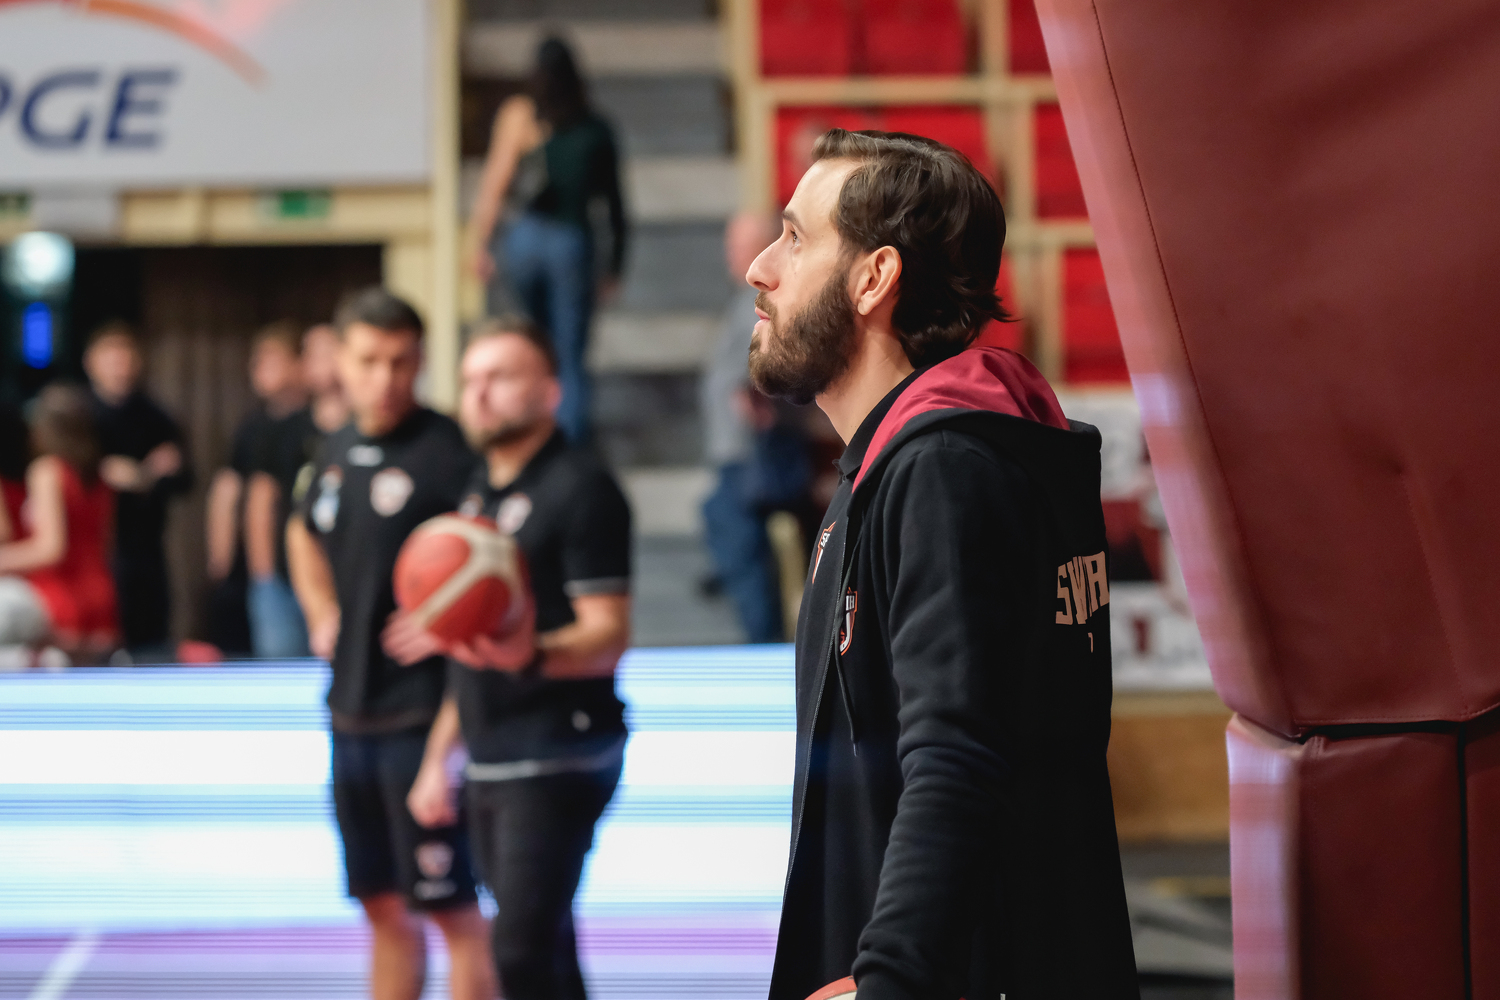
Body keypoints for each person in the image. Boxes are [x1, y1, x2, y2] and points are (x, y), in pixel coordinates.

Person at [747, 129, 1137, 999]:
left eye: (796, 238)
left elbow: (956, 758)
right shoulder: (909, 460)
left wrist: (892, 980)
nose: (759, 269)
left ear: (873, 279)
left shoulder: (943, 471)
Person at [391, 318, 631, 1000]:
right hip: (493, 752)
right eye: (470, 379)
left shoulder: (581, 486)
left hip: (561, 751)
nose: (479, 393)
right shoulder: (478, 493)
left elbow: (608, 634)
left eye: (499, 377)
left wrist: (529, 656)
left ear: (550, 391)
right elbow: (471, 656)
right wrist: (441, 755)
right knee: (545, 949)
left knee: (518, 952)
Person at [286, 289, 493, 1000]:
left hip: (424, 720)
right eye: (369, 361)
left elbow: (495, 569)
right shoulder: (334, 449)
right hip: (350, 715)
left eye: (402, 362)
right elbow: (301, 530)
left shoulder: (451, 453)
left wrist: (450, 618)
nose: (386, 378)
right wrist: (320, 608)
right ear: (339, 362)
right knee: (381, 909)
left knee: (454, 914)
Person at [466, 36, 628, 443]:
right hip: (571, 242)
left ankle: (524, 431)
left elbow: (496, 183)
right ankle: (566, 441)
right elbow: (614, 204)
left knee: (524, 343)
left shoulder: (521, 117)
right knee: (569, 354)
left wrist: (480, 243)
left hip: (524, 238)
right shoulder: (596, 130)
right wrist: (614, 264)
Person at [700, 212, 811, 642]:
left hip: (755, 455)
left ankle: (763, 649)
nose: (731, 255)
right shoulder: (743, 302)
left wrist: (759, 414)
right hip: (746, 454)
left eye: (739, 246)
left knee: (742, 547)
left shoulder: (762, 301)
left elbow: (754, 380)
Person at [85, 323, 191, 658]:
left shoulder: (155, 416)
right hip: (95, 546)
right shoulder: (80, 417)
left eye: (127, 357)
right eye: (112, 358)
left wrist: (152, 475)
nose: (121, 366)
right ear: (92, 363)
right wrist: (103, 471)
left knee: (151, 639)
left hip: (146, 544)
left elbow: (185, 477)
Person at [244, 322, 348, 660]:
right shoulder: (285, 430)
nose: (323, 362)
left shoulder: (366, 429)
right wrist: (264, 580)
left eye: (330, 351)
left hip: (350, 580)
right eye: (312, 354)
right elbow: (262, 500)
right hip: (286, 580)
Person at [205, 322, 307, 657]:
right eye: (258, 360)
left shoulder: (312, 423)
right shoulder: (252, 428)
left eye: (273, 358)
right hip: (263, 571)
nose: (261, 368)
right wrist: (221, 555)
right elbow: (228, 489)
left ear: (299, 364)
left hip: (304, 564)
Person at [0, 384, 118, 664]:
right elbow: (106, 542)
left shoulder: (48, 471)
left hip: (59, 594)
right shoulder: (98, 474)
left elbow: (51, 548)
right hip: (100, 592)